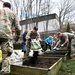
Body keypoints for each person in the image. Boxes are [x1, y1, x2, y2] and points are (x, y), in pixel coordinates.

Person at [0, 2, 21, 74]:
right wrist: (17, 37)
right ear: (10, 7)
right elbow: (18, 28)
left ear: (3, 6)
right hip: (6, 36)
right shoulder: (13, 13)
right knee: (6, 55)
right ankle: (4, 72)